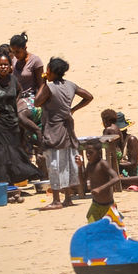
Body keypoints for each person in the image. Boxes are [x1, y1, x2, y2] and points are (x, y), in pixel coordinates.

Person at [0, 50, 41, 184]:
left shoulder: (13, 80)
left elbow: (20, 90)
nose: (3, 67)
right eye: (0, 65)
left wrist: (14, 104)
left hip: (11, 123)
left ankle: (11, 182)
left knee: (13, 153)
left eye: (5, 64)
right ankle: (2, 182)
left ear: (10, 66)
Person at [37, 57, 93, 209]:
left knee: (54, 164)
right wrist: (72, 109)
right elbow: (88, 96)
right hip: (68, 129)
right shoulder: (70, 85)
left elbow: (37, 102)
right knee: (67, 163)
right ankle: (68, 198)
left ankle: (56, 200)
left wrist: (42, 83)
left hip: (54, 130)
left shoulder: (50, 87)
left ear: (53, 72)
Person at [83, 140, 124, 225]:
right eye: (86, 153)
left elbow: (116, 178)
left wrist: (100, 188)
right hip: (96, 204)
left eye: (91, 153)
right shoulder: (89, 165)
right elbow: (83, 179)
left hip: (108, 205)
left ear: (99, 152)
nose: (88, 155)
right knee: (93, 226)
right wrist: (79, 167)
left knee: (114, 229)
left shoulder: (103, 164)